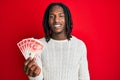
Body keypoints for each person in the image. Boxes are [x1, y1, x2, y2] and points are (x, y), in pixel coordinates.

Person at [24, 2, 90, 80]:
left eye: (61, 16)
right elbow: (38, 78)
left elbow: (84, 77)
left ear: (67, 19)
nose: (56, 20)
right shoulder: (37, 45)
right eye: (52, 16)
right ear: (47, 20)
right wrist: (34, 75)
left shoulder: (79, 45)